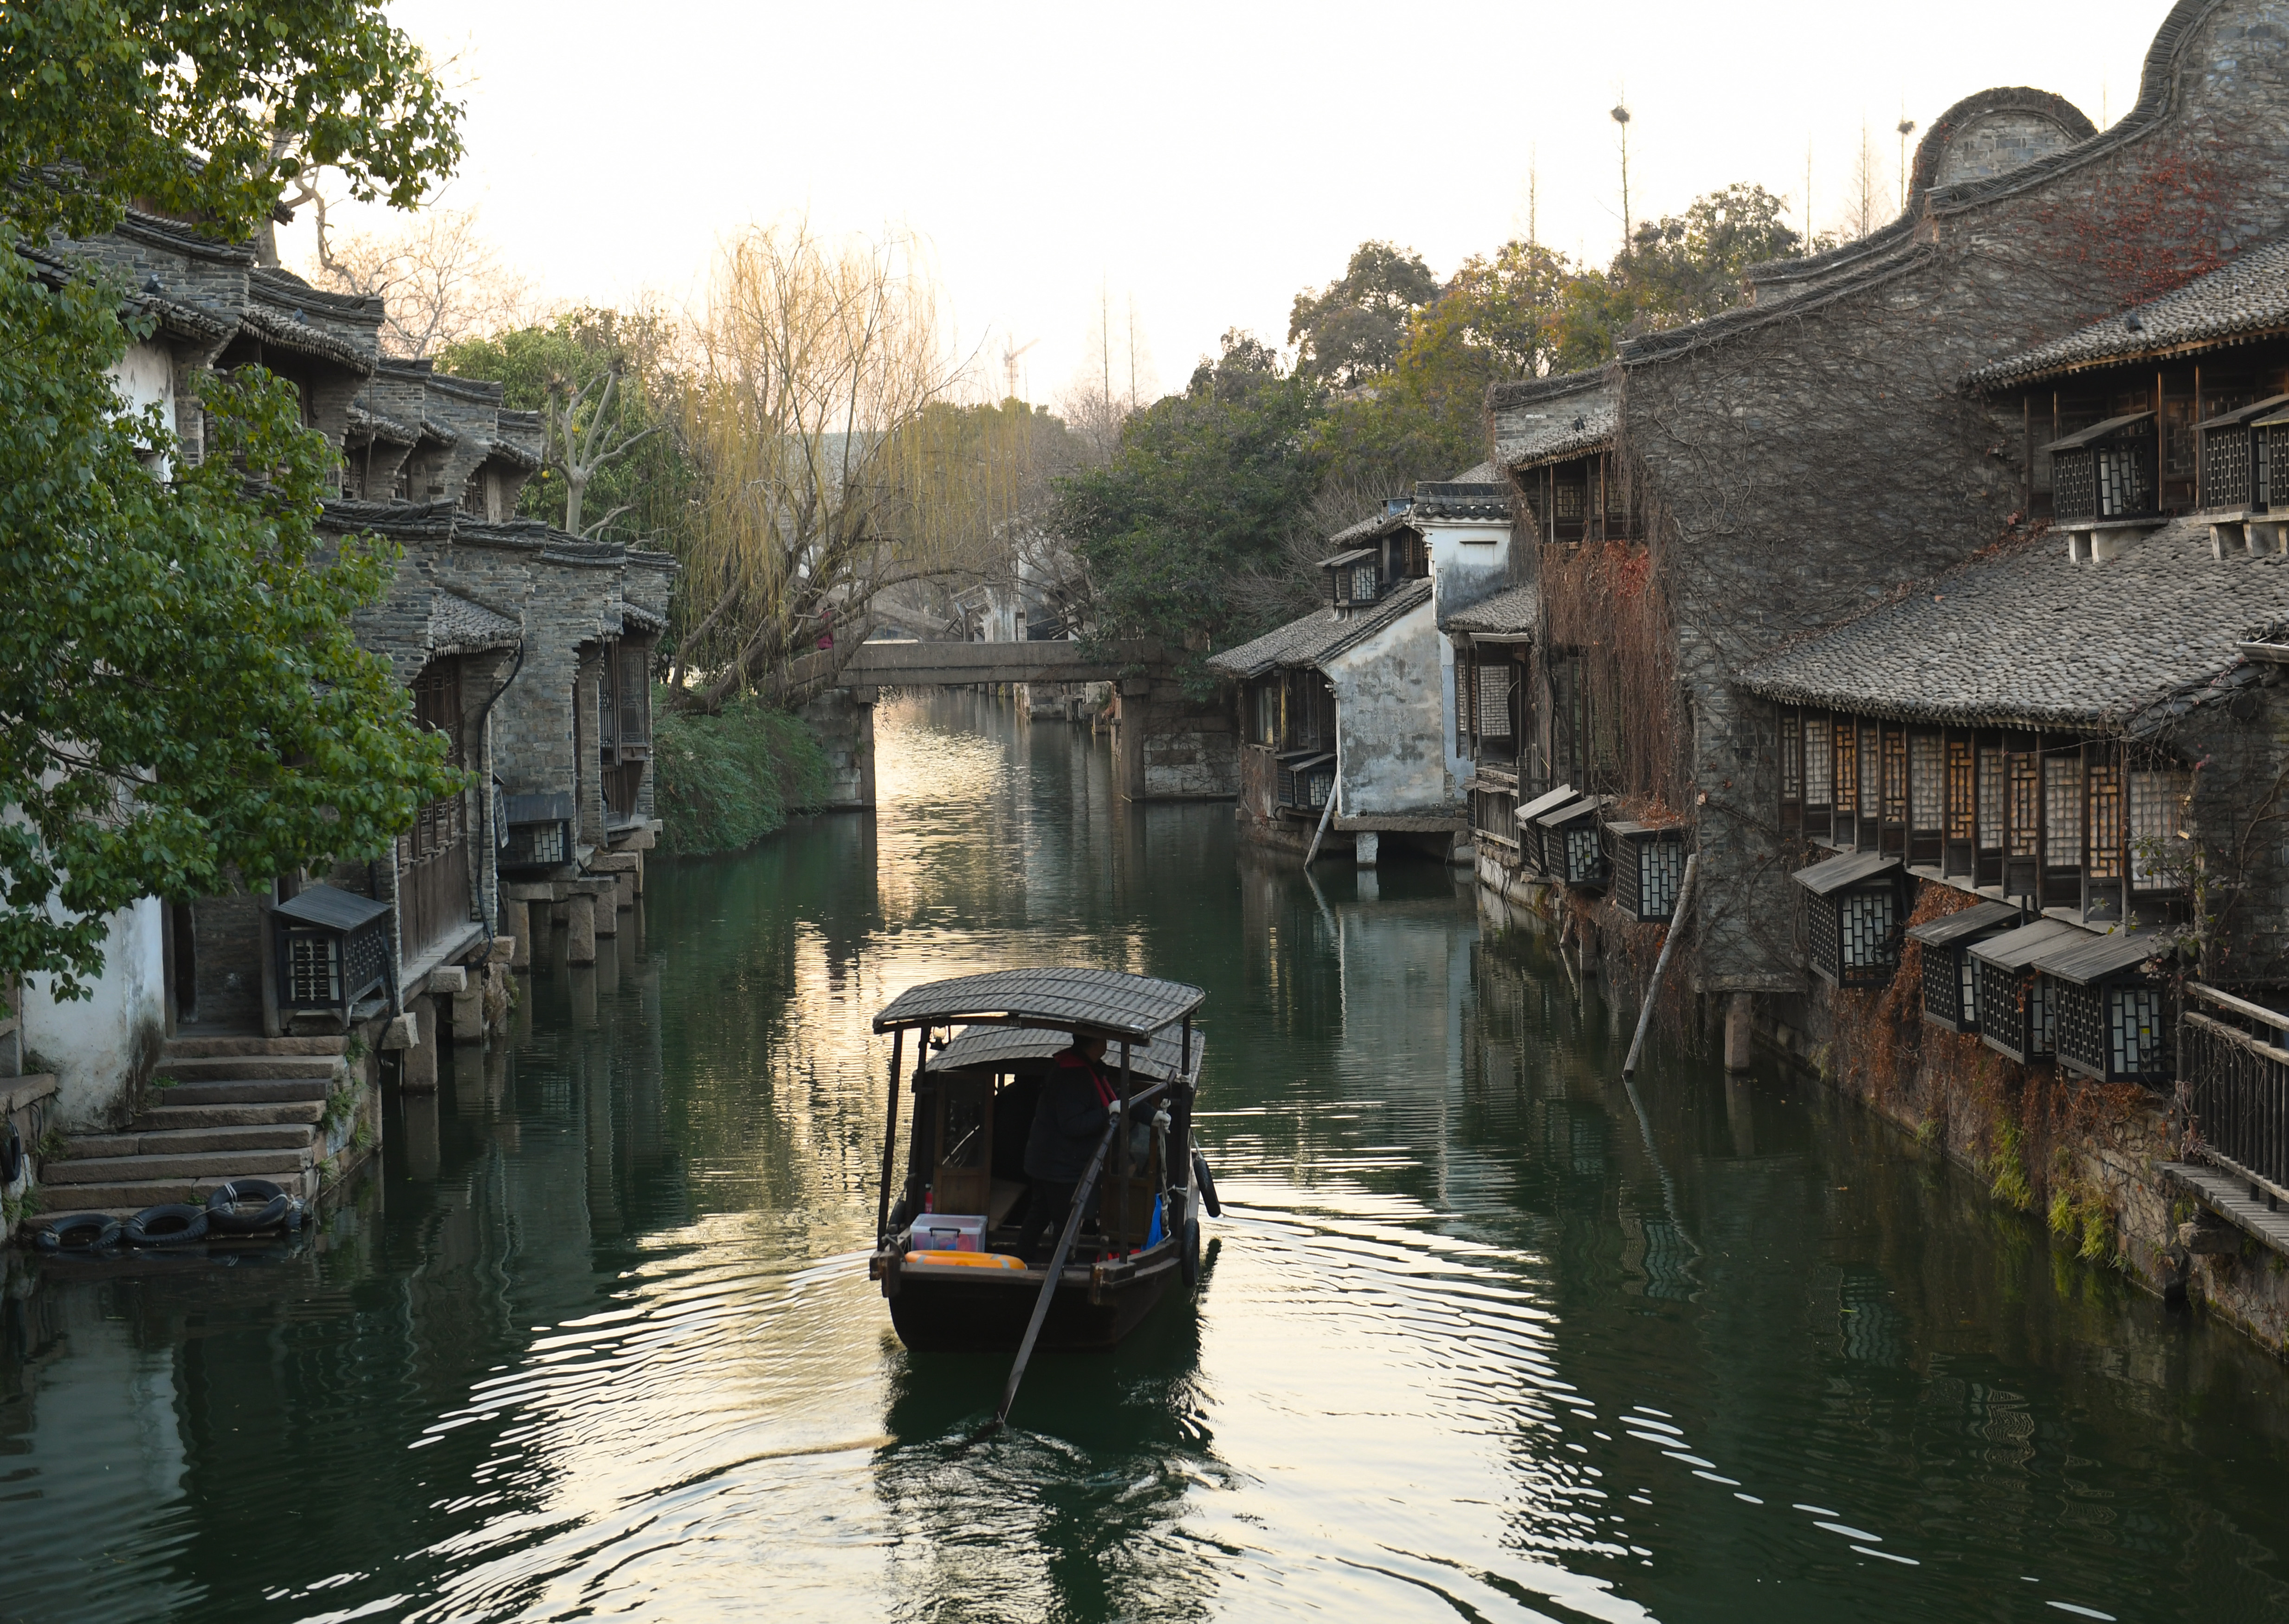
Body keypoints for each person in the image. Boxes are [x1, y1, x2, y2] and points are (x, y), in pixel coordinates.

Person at [1018, 1034, 1139, 1260]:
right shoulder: (1074, 1076)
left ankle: (1023, 1260)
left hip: (1048, 1161)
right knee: (1064, 1224)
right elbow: (1072, 1125)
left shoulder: (1089, 1068)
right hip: (1059, 1166)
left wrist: (1151, 1116)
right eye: (1104, 1039)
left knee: (1040, 1216)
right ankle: (1057, 1274)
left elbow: (1118, 1098)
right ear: (1096, 1043)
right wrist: (1107, 1113)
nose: (1107, 1043)